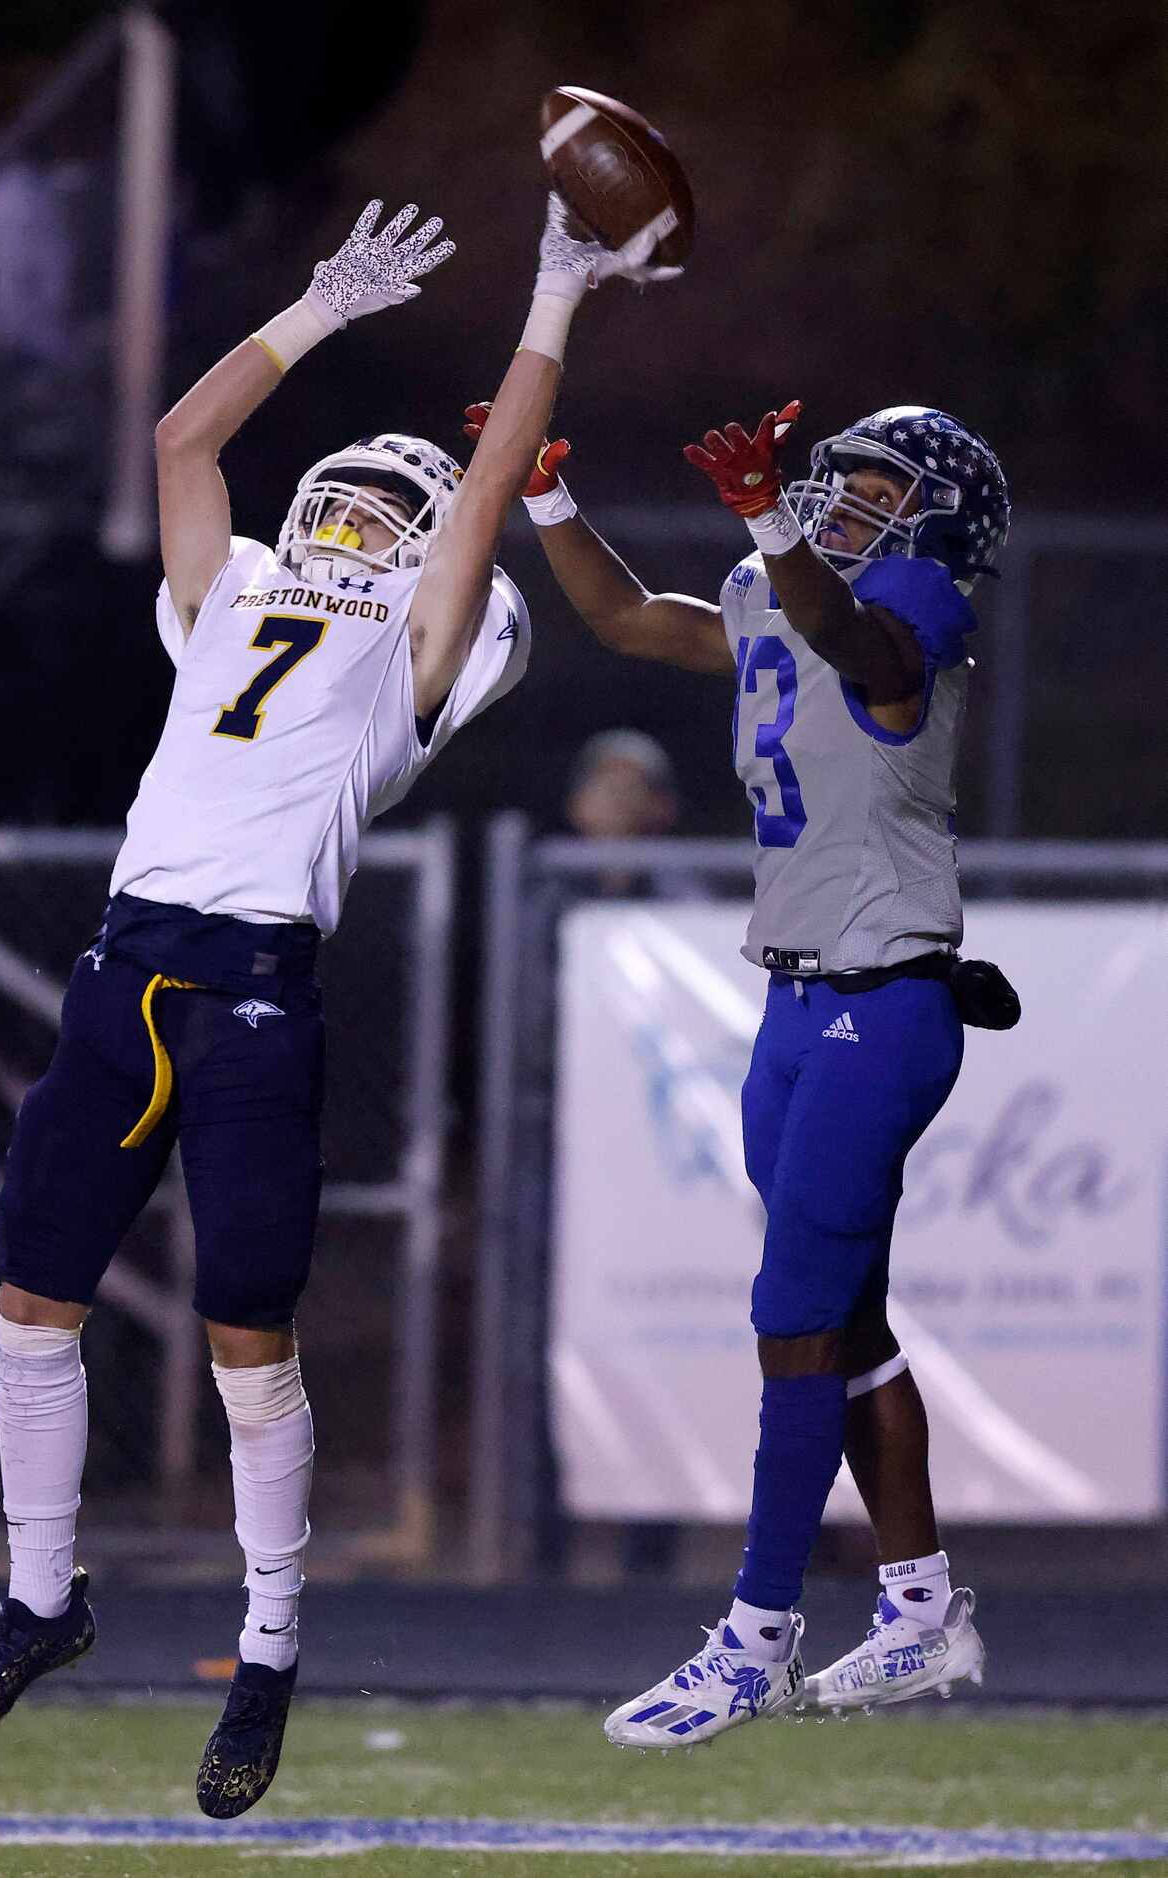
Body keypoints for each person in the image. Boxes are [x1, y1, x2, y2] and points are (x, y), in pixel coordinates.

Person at [0, 193, 675, 1814]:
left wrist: (549, 297)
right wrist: (320, 307)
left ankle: (266, 1649)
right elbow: (184, 440)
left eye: (381, 507)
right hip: (126, 971)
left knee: (245, 1337)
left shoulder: (418, 643)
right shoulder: (228, 594)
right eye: (339, 492)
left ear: (417, 550)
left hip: (256, 989)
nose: (348, 512)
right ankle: (40, 1599)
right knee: (31, 1297)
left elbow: (480, 504)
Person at [512, 385, 1011, 1746]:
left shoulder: (912, 605)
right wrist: (550, 497)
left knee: (789, 1317)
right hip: (794, 1001)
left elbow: (848, 641)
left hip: (881, 1001)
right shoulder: (770, 582)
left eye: (873, 488)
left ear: (931, 521)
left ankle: (753, 1637)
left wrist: (767, 511)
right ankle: (914, 1609)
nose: (844, 501)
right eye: (832, 481)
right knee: (843, 1325)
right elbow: (625, 618)